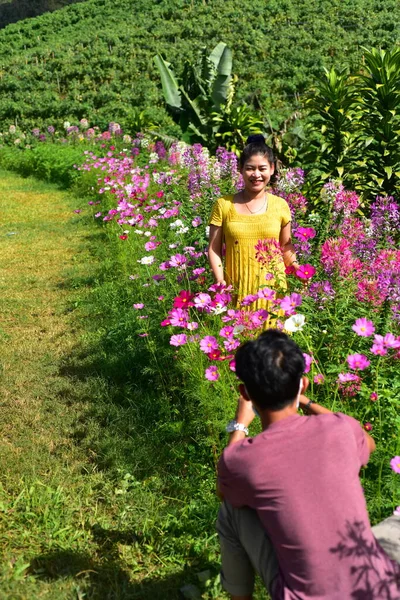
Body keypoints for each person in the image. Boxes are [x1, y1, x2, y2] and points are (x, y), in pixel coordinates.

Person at [217, 329, 400, 600]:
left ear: (244, 392)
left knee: (231, 510)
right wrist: (306, 402)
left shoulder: (241, 459)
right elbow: (368, 443)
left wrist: (240, 424)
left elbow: (225, 487)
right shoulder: (340, 429)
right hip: (381, 590)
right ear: (302, 384)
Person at [208, 135, 299, 311]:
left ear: (272, 169)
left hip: (273, 292)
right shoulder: (224, 205)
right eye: (250, 168)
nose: (256, 175)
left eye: (262, 168)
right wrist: (220, 280)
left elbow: (286, 248)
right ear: (240, 169)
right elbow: (214, 248)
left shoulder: (280, 205)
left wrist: (297, 269)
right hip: (236, 289)